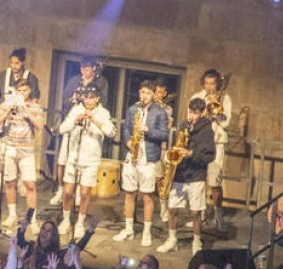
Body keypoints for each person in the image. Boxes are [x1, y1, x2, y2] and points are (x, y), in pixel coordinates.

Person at [157, 98, 216, 255]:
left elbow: (210, 156)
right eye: (190, 112)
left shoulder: (207, 130)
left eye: (195, 113)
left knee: (196, 212)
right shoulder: (184, 125)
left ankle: (197, 241)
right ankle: (172, 240)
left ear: (202, 112)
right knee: (172, 209)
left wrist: (190, 153)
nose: (192, 116)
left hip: (196, 175)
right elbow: (178, 144)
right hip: (180, 173)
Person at [115, 81, 170, 245]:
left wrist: (148, 130)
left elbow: (164, 135)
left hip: (148, 159)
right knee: (129, 194)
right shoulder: (133, 109)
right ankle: (129, 229)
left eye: (147, 92)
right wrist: (128, 142)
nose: (144, 95)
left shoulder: (160, 112)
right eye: (142, 92)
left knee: (147, 196)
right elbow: (126, 128)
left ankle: (147, 232)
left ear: (153, 94)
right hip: (132, 157)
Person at [57, 87, 114, 240]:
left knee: (84, 193)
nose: (88, 101)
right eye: (86, 98)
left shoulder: (103, 113)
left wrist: (94, 120)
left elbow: (111, 132)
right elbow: (62, 129)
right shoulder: (76, 110)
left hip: (91, 160)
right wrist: (76, 122)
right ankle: (66, 220)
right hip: (73, 157)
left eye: (92, 98)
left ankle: (80, 223)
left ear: (97, 99)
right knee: (68, 192)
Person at [52, 57, 110, 206]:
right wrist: (76, 99)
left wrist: (89, 92)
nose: (85, 70)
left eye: (88, 68)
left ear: (93, 69)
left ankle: (78, 192)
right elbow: (66, 100)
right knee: (63, 159)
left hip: (90, 122)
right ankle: (61, 190)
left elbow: (103, 101)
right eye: (83, 68)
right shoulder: (73, 81)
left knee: (82, 160)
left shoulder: (100, 82)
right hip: (72, 119)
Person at [0, 78, 46, 228]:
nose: (22, 94)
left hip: (27, 151)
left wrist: (27, 110)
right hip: (9, 148)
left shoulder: (35, 107)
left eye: (25, 91)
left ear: (29, 91)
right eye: (19, 91)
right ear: (15, 91)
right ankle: (12, 214)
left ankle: (32, 219)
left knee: (30, 184)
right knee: (9, 182)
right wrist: (7, 111)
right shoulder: (6, 105)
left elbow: (40, 125)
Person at [0, 47, 41, 195]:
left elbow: (36, 98)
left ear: (22, 63)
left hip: (23, 122)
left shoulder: (31, 77)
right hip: (6, 117)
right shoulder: (3, 75)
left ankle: (21, 183)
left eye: (17, 63)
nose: (14, 66)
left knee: (20, 153)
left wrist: (28, 109)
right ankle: (0, 181)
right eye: (12, 63)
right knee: (1, 151)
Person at [190, 69, 232, 230]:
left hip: (217, 142)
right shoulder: (197, 97)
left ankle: (218, 215)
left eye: (212, 84)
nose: (209, 87)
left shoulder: (225, 98)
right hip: (200, 143)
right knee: (198, 180)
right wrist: (204, 113)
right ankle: (199, 215)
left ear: (217, 84)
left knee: (215, 181)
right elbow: (191, 120)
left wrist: (217, 110)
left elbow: (226, 123)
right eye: (206, 83)